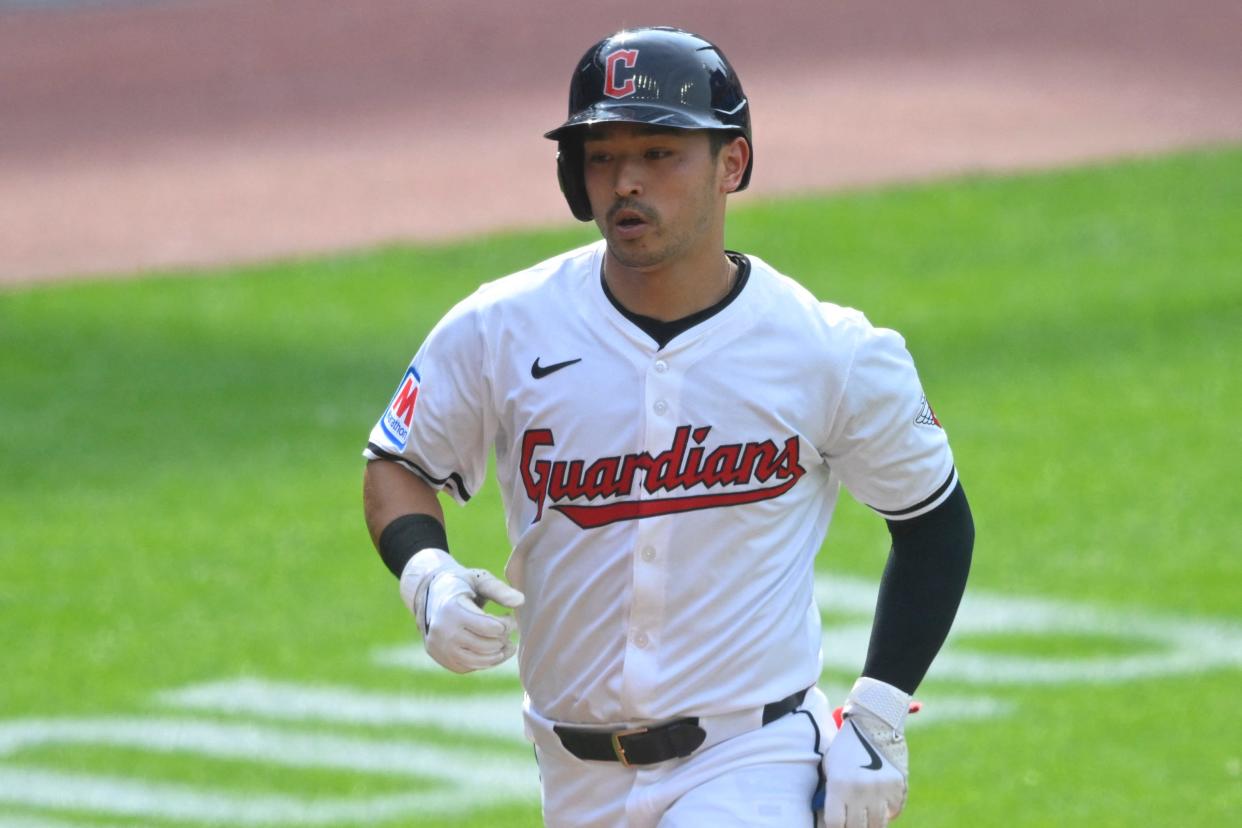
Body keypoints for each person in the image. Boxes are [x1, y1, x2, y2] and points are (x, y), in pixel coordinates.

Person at [362, 26, 973, 828]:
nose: (625, 183)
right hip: (571, 774)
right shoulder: (501, 328)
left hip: (754, 759)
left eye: (658, 154)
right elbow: (399, 460)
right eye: (603, 157)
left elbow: (932, 521)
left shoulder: (828, 350)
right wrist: (427, 575)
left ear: (732, 164)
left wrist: (880, 712)